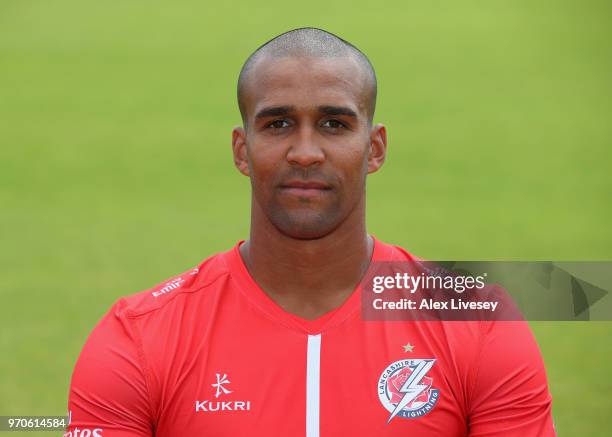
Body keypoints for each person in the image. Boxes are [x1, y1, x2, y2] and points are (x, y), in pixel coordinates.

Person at [65, 28, 555, 437]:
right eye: (278, 124)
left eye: (334, 124)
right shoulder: (139, 337)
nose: (305, 152)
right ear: (241, 149)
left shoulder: (476, 323)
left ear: (375, 147)